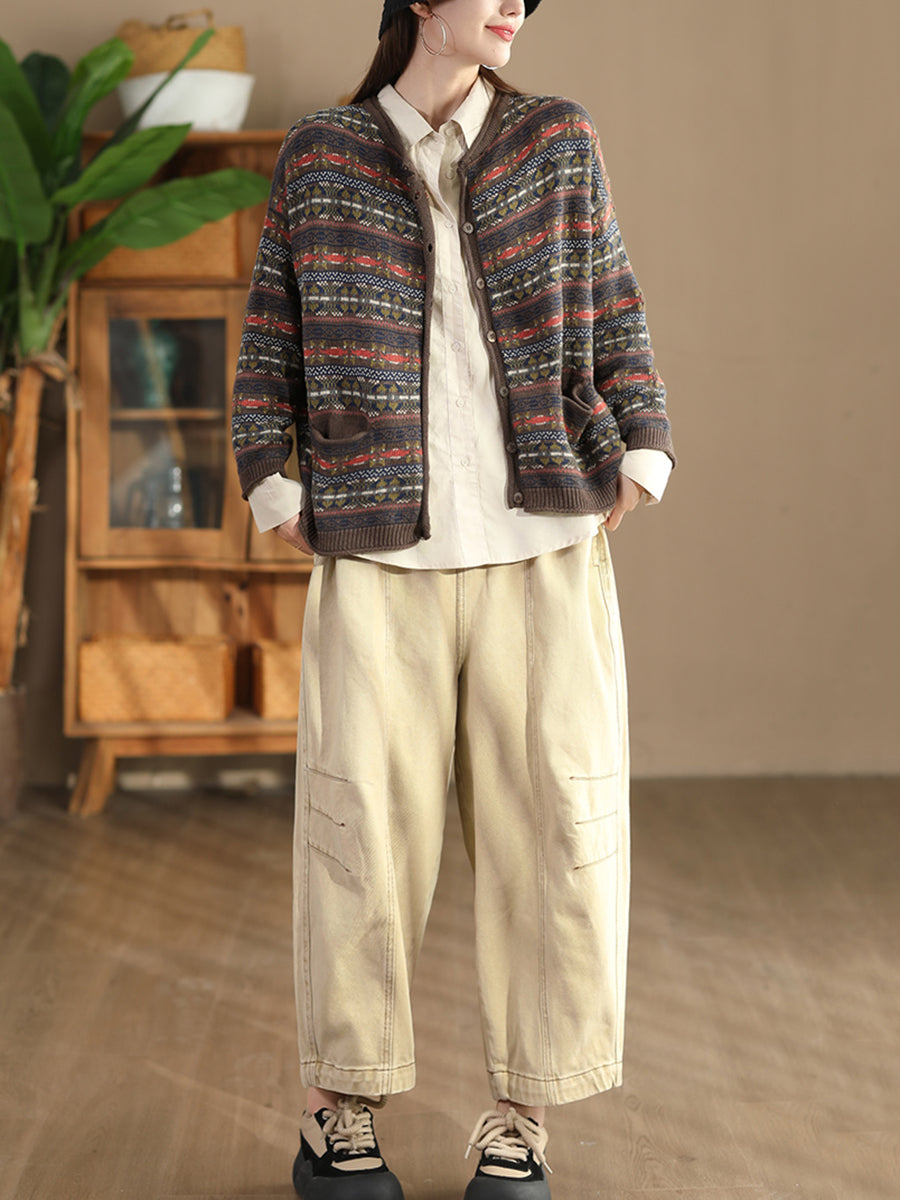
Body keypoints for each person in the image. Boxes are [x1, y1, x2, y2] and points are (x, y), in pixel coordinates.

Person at [232, 0, 675, 1195]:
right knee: (357, 837)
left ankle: (523, 1118)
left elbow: (614, 302)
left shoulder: (556, 140)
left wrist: (642, 449)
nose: (514, 5)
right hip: (381, 556)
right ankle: (339, 1111)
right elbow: (271, 327)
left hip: (543, 547)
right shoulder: (323, 154)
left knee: (555, 838)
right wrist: (272, 480)